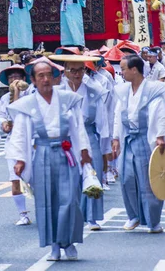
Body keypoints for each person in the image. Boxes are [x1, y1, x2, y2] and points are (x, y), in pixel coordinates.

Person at [7, 57, 91, 261]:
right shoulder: (27, 104)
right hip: (42, 153)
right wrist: (20, 159)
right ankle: (54, 244)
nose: (45, 79)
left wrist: (84, 151)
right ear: (34, 80)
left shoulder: (67, 99)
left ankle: (68, 241)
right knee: (46, 200)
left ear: (54, 77)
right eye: (40, 76)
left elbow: (77, 127)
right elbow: (20, 133)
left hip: (66, 153)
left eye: (48, 75)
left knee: (69, 199)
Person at [112, 55, 165, 233]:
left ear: (134, 70)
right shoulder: (123, 91)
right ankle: (134, 216)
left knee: (148, 180)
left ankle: (153, 220)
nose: (122, 72)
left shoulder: (152, 91)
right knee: (127, 179)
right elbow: (118, 116)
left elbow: (161, 114)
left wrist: (160, 135)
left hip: (145, 139)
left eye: (124, 68)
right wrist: (116, 137)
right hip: (128, 140)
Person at [53, 53, 109, 231]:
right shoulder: (58, 91)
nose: (77, 74)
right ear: (65, 71)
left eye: (80, 70)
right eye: (73, 70)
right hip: (66, 137)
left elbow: (102, 120)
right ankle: (72, 215)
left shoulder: (94, 90)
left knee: (93, 173)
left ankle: (92, 217)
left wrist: (106, 149)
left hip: (89, 133)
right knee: (69, 177)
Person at [0, 64, 31, 225]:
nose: (14, 80)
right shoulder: (4, 99)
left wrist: (17, 93)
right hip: (13, 142)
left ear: (24, 79)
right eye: (11, 78)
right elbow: (1, 115)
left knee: (35, 178)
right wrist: (4, 123)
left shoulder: (31, 94)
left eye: (17, 77)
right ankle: (22, 214)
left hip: (30, 141)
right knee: (15, 178)